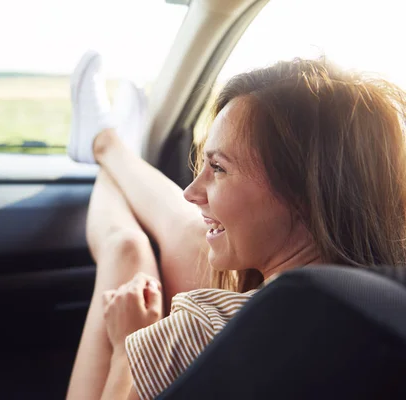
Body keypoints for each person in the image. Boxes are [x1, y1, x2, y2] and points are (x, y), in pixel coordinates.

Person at [65, 51, 406, 400]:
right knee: (191, 232)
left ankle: (109, 147)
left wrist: (125, 347)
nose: (190, 191)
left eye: (218, 168)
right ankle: (108, 145)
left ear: (305, 193)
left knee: (126, 251)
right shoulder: (386, 305)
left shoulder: (201, 330)